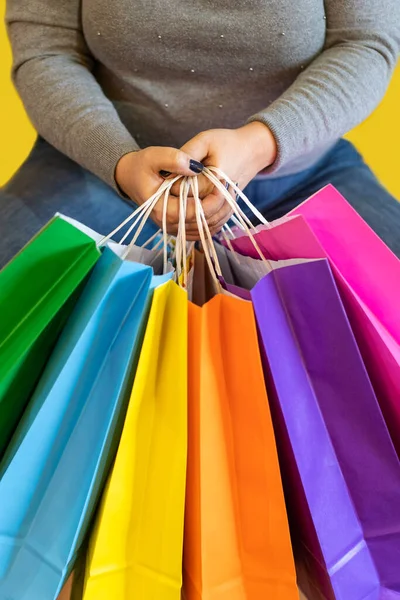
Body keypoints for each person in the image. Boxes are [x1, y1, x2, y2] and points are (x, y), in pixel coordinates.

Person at [1, 0, 400, 267]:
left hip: (300, 176)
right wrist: (119, 162)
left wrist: (261, 143)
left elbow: (364, 42)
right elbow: (47, 51)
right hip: (98, 170)